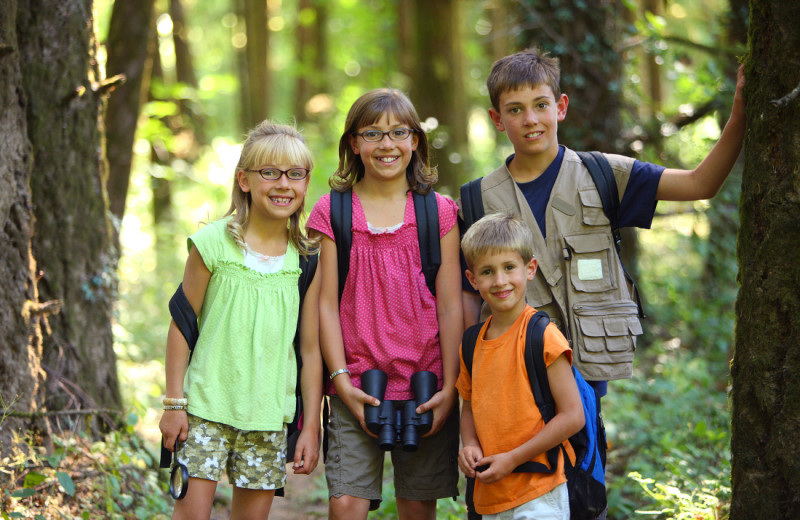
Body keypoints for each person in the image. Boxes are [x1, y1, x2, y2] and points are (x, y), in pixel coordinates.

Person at [460, 48, 746, 396]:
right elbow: (467, 299)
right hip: (513, 380)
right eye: (515, 110)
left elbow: (700, 184)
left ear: (561, 107)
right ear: (497, 118)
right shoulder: (477, 201)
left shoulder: (604, 174)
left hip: (588, 383)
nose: (530, 119)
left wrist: (740, 116)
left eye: (540, 105)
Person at [307, 88, 463, 520]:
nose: (386, 144)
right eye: (372, 134)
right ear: (354, 144)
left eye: (398, 132)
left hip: (426, 384)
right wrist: (339, 380)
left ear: (415, 140)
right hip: (356, 381)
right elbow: (325, 306)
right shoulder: (333, 211)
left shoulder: (439, 212)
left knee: (417, 506)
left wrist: (450, 386)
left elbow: (451, 307)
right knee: (346, 504)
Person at [158, 121, 323, 520]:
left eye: (295, 174)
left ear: (305, 184)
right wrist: (174, 403)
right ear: (244, 180)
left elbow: (310, 348)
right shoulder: (213, 243)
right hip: (204, 409)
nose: (283, 184)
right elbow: (182, 324)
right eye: (270, 172)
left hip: (268, 416)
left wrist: (311, 426)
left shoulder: (307, 258)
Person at [457, 212, 585, 519]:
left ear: (530, 269)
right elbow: (470, 406)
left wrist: (513, 459)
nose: (500, 281)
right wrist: (470, 444)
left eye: (509, 268)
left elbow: (573, 416)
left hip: (540, 487)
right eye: (487, 271)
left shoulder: (544, 337)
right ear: (473, 279)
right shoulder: (472, 342)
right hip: (491, 494)